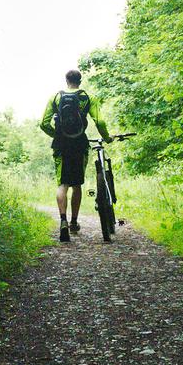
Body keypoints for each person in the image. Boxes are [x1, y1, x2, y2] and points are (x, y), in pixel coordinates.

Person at [40, 68, 111, 242]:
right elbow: (100, 121)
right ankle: (73, 222)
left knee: (62, 184)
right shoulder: (87, 97)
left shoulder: (56, 97)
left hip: (61, 144)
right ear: (80, 81)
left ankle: (63, 221)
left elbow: (43, 123)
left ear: (66, 81)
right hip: (79, 143)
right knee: (77, 184)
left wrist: (57, 135)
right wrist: (106, 137)